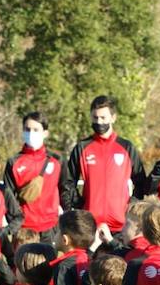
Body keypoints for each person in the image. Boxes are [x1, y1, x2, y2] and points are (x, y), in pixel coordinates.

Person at [62, 95, 146, 236]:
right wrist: (78, 205)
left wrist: (131, 205)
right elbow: (68, 182)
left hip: (121, 227)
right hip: (90, 226)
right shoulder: (82, 147)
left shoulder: (126, 147)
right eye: (95, 118)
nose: (99, 122)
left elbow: (141, 181)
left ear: (113, 118)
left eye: (103, 118)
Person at [3, 111, 60, 242]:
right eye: (27, 129)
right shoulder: (14, 162)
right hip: (24, 229)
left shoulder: (57, 161)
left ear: (45, 133)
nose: (31, 133)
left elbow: (65, 190)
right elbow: (8, 195)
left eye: (36, 129)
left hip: (50, 228)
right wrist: (15, 223)